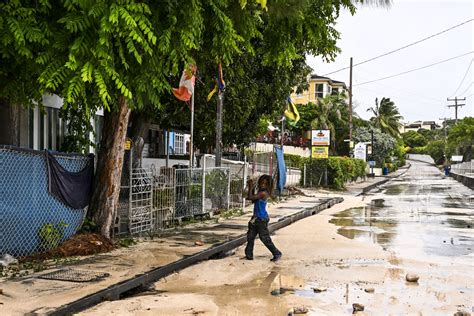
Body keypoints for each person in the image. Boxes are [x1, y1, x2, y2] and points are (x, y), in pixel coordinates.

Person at [244, 175, 282, 262]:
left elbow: (250, 197)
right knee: (250, 236)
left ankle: (277, 253)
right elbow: (253, 199)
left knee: (264, 238)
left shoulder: (263, 193)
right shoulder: (260, 192)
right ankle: (249, 255)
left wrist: (250, 186)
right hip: (256, 218)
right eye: (262, 183)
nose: (263, 185)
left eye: (265, 184)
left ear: (268, 185)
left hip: (261, 219)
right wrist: (252, 188)